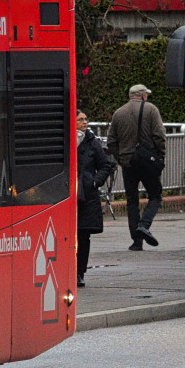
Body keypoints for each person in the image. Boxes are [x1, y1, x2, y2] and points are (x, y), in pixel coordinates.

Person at [105, 84, 167, 251]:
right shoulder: (151, 110)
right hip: (147, 161)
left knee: (132, 200)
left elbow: (111, 141)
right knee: (155, 195)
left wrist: (121, 157)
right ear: (143, 96)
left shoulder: (119, 113)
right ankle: (144, 225)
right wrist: (160, 155)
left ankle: (136, 241)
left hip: (128, 163)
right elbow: (159, 135)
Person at [76, 111, 116, 287]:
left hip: (87, 195)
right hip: (68, 195)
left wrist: (95, 182)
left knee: (83, 235)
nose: (85, 122)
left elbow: (106, 164)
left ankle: (79, 272)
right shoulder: (67, 140)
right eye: (80, 120)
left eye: (85, 119)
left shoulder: (92, 142)